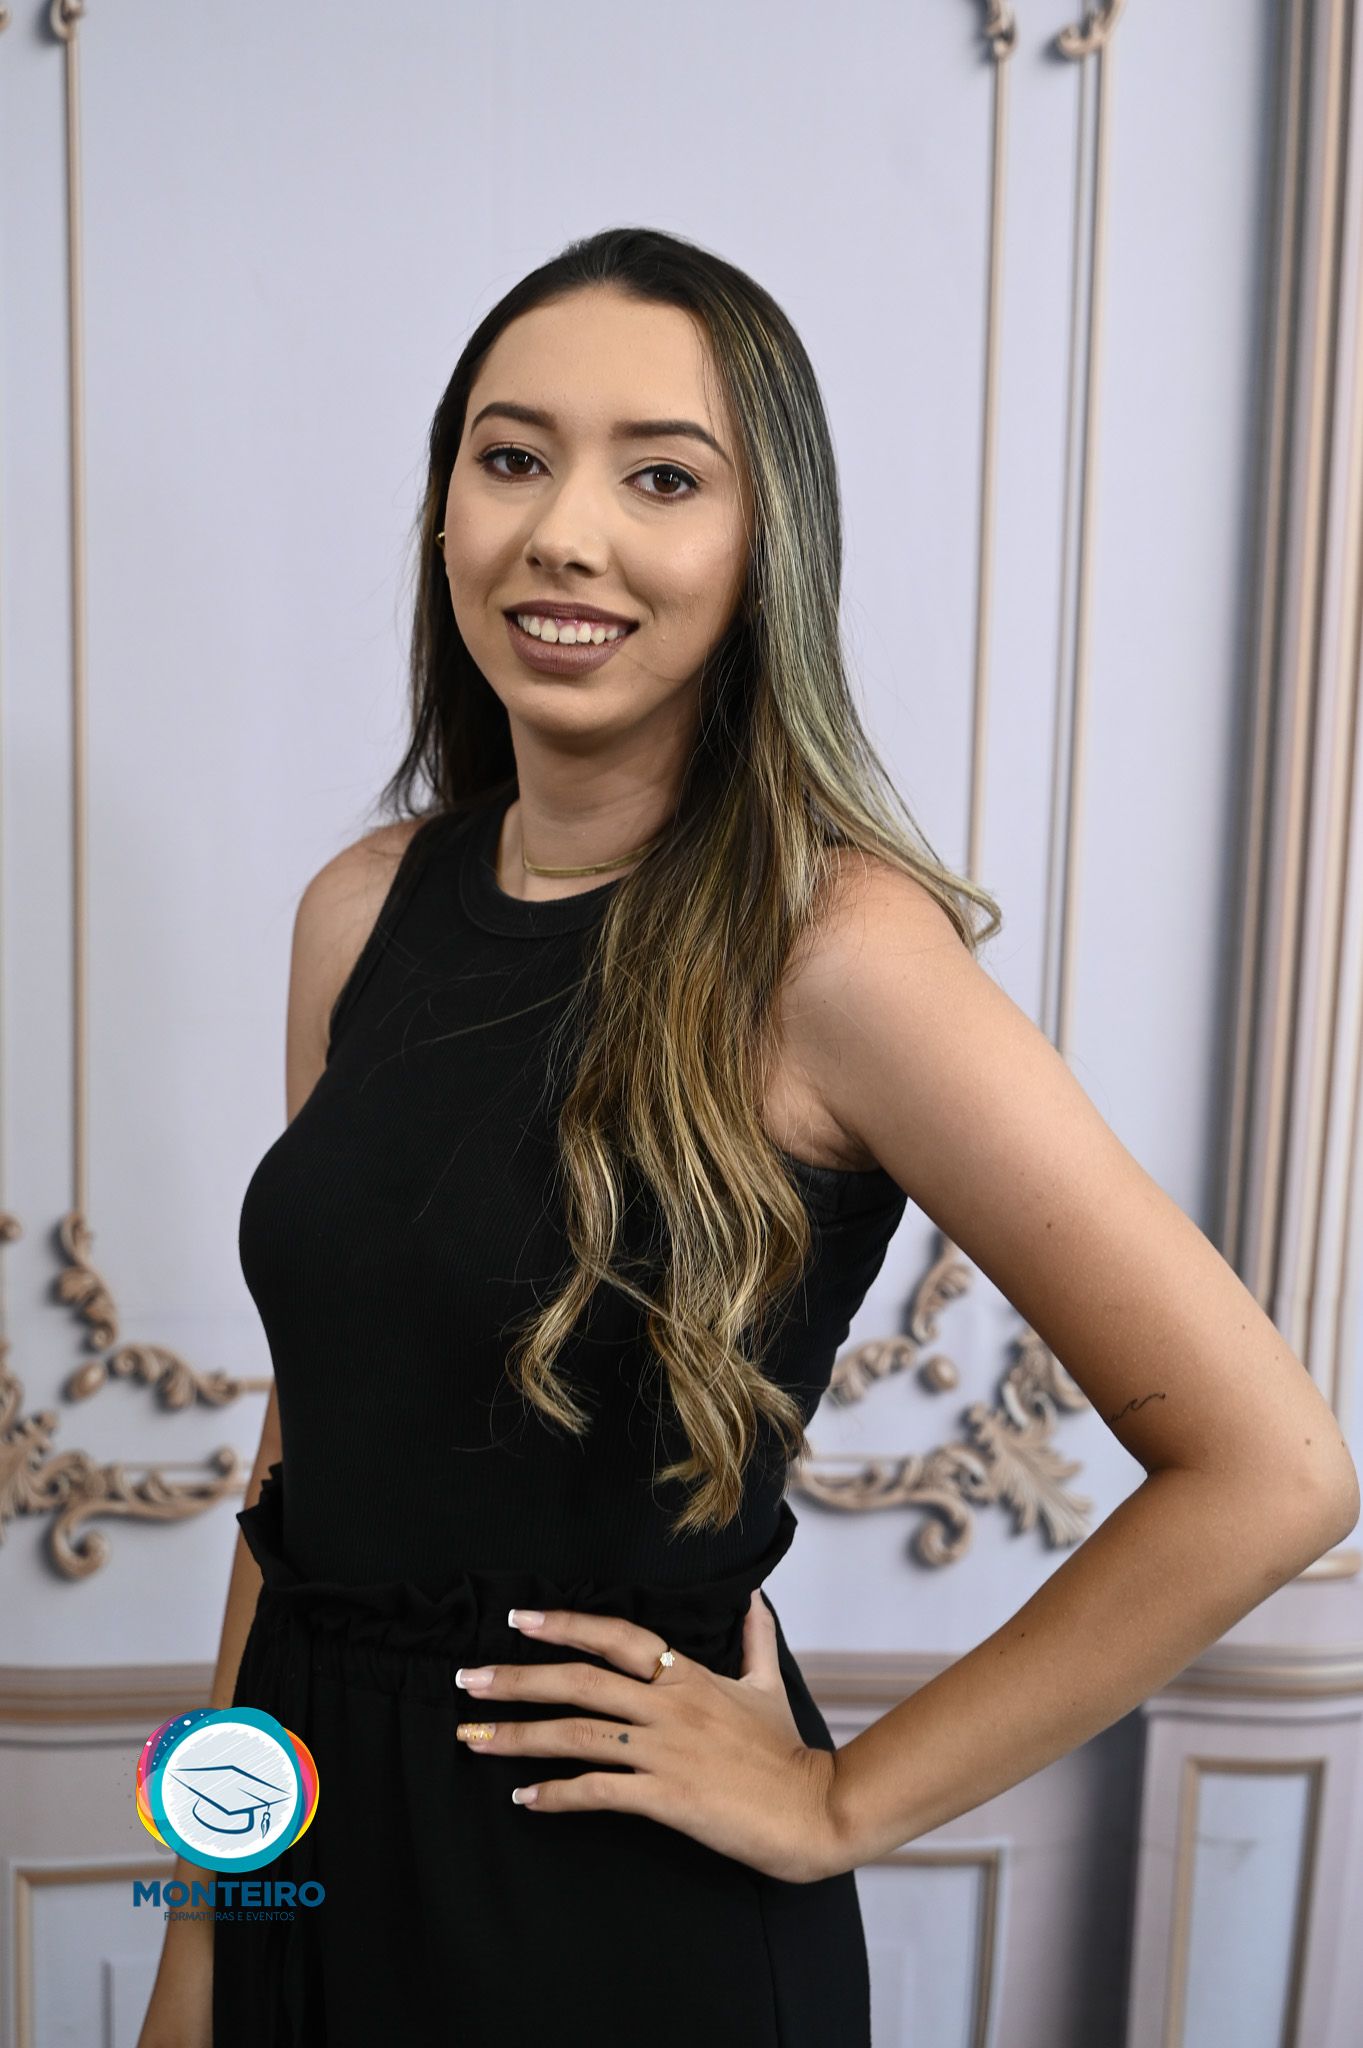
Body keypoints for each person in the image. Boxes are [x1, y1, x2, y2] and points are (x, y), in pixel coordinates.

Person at [138, 225, 1358, 2048]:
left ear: (763, 545)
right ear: (447, 507)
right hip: (315, 1856)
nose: (566, 533)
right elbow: (303, 1453)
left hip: (617, 1913)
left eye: (662, 477)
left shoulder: (838, 955)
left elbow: (1277, 1471)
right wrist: (206, 1914)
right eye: (512, 456)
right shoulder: (359, 910)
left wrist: (839, 1801)